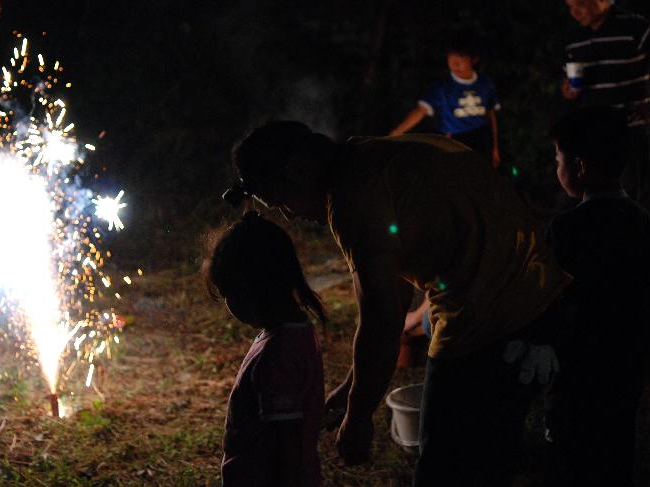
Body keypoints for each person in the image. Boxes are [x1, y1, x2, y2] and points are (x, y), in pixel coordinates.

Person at [224, 121, 571, 486]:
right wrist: (352, 386)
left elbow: (380, 320)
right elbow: (393, 290)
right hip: (542, 297)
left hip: (489, 320)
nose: (290, 215)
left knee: (443, 469)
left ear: (297, 170)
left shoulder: (352, 196)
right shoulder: (375, 155)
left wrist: (358, 420)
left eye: (282, 203)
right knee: (489, 457)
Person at [545, 107, 650, 487]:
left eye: (557, 159)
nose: (556, 168)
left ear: (580, 166)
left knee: (570, 458)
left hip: (576, 369)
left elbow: (552, 299)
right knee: (616, 451)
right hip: (627, 365)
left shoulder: (567, 227)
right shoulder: (642, 221)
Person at [204, 211, 326, 487]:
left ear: (249, 290)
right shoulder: (297, 332)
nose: (228, 305)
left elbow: (286, 441)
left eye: (227, 294)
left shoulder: (277, 355)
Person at [561, 0, 650, 207]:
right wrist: (568, 91)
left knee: (632, 199)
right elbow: (567, 85)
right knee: (595, 202)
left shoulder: (636, 28)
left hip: (629, 131)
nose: (575, 12)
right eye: (570, 7)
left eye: (580, 4)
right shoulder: (575, 40)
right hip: (591, 134)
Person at [389, 34, 502, 168]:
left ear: (474, 59)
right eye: (451, 56)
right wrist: (396, 133)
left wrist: (495, 148)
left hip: (482, 140)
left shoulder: (485, 84)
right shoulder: (442, 87)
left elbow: (491, 116)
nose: (454, 62)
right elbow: (420, 111)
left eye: (460, 57)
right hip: (455, 142)